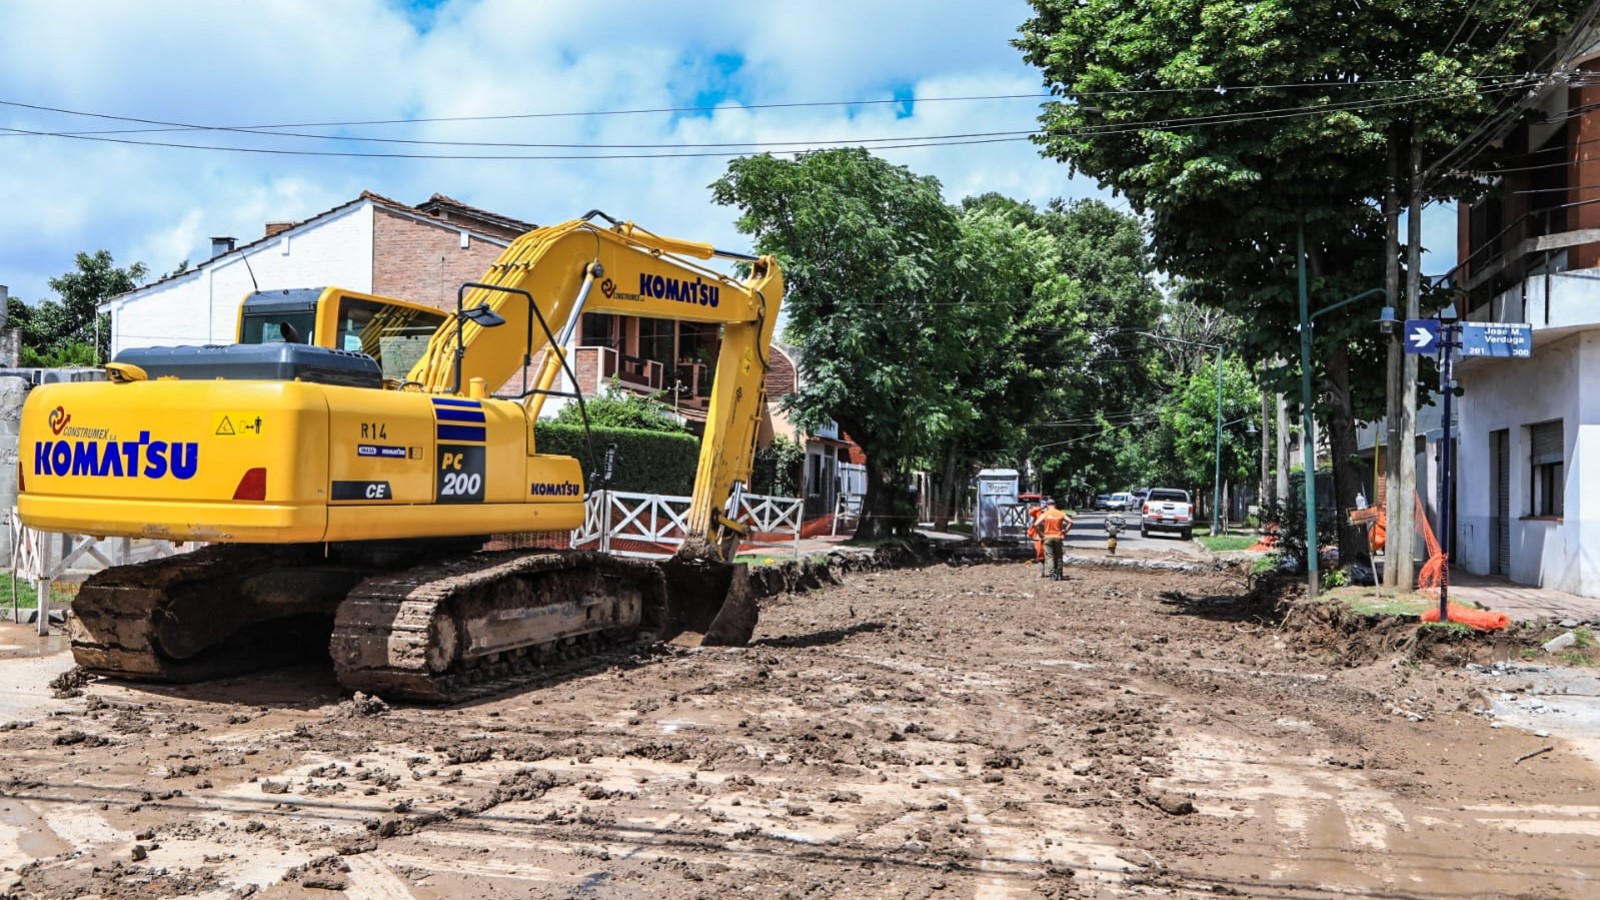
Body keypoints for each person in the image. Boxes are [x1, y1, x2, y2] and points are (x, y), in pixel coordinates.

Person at [1038, 499, 1073, 580]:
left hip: (1047, 537)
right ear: (1055, 505)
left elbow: (1036, 524)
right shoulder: (1060, 513)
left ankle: (1052, 575)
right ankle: (1059, 575)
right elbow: (1070, 522)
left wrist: (1040, 534)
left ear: (1047, 505)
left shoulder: (1045, 514)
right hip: (1058, 537)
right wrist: (1065, 531)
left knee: (1050, 556)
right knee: (1059, 556)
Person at [1025, 497, 1047, 574]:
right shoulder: (1037, 512)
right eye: (1042, 504)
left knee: (1050, 553)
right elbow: (1030, 512)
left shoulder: (1049, 512)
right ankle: (1041, 571)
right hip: (1038, 534)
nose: (1044, 506)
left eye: (1045, 505)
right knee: (1039, 551)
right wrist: (1040, 508)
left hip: (1048, 534)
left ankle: (1053, 571)